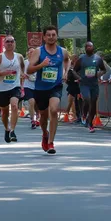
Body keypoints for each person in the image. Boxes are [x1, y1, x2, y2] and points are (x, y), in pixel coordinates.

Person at [27, 25, 70, 154]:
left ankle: (51, 142)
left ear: (57, 36)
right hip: (41, 88)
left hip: (55, 86)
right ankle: (45, 134)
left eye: (53, 35)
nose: (51, 37)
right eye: (48, 35)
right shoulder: (38, 52)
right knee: (44, 117)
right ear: (44, 37)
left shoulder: (62, 51)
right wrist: (42, 65)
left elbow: (67, 61)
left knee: (54, 110)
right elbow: (29, 70)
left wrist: (66, 72)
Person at [0, 34, 26, 143]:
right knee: (4, 112)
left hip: (15, 86)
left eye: (12, 41)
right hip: (2, 88)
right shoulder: (0, 57)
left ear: (15, 43)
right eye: (7, 42)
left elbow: (22, 68)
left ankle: (13, 130)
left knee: (14, 106)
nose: (10, 43)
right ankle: (6, 129)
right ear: (4, 44)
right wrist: (2, 73)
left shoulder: (19, 57)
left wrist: (22, 75)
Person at [73, 41, 106, 133]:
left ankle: (90, 123)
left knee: (93, 103)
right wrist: (78, 77)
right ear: (85, 48)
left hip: (94, 84)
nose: (89, 48)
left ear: (93, 48)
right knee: (87, 99)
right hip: (84, 83)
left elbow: (104, 69)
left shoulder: (98, 58)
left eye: (90, 46)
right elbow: (74, 70)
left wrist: (99, 73)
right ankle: (84, 114)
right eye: (87, 47)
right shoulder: (81, 59)